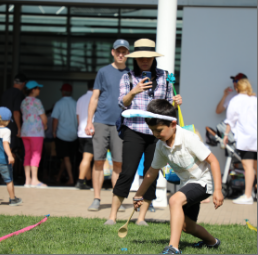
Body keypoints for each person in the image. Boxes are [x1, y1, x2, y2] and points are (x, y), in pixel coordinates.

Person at [105, 38, 183, 226]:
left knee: (151, 174)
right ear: (135, 59)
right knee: (128, 171)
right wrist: (134, 91)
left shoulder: (165, 77)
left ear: (153, 58)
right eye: (140, 58)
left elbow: (167, 106)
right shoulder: (128, 77)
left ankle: (141, 217)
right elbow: (122, 103)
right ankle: (112, 216)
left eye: (147, 57)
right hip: (134, 129)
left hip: (157, 132)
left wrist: (176, 101)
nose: (144, 61)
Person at [133, 99, 224, 254]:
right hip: (187, 185)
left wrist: (218, 190)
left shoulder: (188, 138)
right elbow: (152, 172)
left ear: (173, 124)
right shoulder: (161, 146)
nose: (156, 134)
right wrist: (138, 194)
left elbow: (213, 161)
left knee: (174, 200)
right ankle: (213, 242)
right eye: (152, 130)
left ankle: (173, 248)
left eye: (159, 130)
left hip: (202, 182)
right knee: (187, 226)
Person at [85, 39, 130, 211]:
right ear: (113, 52)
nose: (121, 54)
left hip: (122, 124)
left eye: (124, 51)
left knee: (118, 163)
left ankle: (116, 199)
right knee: (98, 161)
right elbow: (94, 97)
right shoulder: (103, 71)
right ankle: (96, 198)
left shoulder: (131, 74)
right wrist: (89, 121)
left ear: (127, 54)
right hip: (101, 121)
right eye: (118, 51)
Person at [223, 78, 257, 205]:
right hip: (256, 137)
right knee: (256, 167)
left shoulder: (236, 100)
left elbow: (230, 120)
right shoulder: (254, 99)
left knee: (248, 167)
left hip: (246, 138)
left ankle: (248, 196)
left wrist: (226, 135)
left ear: (237, 88)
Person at [20, 81, 47, 188]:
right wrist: (45, 125)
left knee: (27, 154)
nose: (39, 90)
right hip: (36, 132)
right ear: (33, 90)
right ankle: (35, 180)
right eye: (38, 88)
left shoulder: (23, 102)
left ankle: (28, 181)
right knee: (36, 154)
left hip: (25, 131)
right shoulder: (37, 102)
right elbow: (43, 117)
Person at [52, 83, 78, 186]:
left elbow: (55, 120)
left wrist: (53, 131)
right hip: (74, 135)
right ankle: (58, 176)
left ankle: (71, 179)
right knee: (66, 157)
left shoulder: (59, 103)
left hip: (62, 135)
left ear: (62, 92)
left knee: (65, 157)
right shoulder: (76, 103)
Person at [0, 107, 22, 206]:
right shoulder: (6, 131)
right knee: (9, 180)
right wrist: (10, 156)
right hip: (3, 160)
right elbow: (5, 144)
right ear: (8, 121)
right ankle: (13, 199)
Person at [75, 80, 94, 189]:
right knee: (87, 158)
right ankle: (80, 181)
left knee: (86, 158)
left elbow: (78, 117)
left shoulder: (80, 99)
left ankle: (89, 182)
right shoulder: (96, 98)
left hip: (81, 132)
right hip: (90, 132)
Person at [1, 73, 27, 152]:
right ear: (23, 84)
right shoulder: (19, 94)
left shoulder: (4, 93)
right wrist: (19, 128)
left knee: (3, 151)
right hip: (12, 128)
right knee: (9, 152)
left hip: (1, 125)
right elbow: (16, 112)